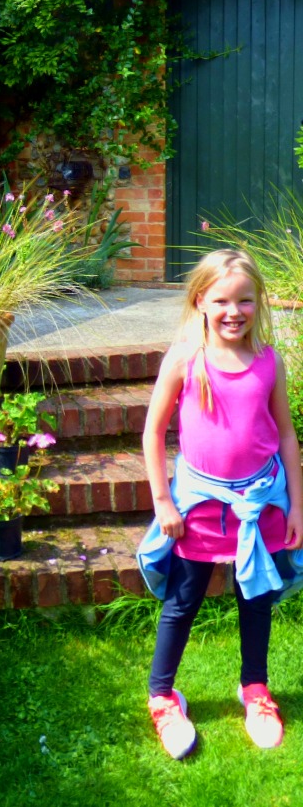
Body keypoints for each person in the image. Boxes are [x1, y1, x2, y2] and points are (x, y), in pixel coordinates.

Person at [136, 248, 303, 759]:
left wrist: (297, 505)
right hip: (200, 508)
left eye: (245, 301)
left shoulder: (269, 362)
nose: (234, 311)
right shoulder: (186, 360)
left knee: (255, 600)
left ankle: (255, 690)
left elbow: (287, 437)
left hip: (260, 505)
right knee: (182, 602)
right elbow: (153, 430)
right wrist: (163, 500)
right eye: (223, 300)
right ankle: (163, 697)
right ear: (200, 301)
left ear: (259, 304)